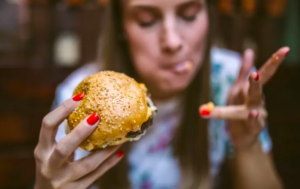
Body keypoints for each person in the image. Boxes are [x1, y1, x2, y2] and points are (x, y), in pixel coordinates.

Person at [34, 0, 289, 188]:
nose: (173, 41)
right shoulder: (81, 99)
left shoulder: (230, 81)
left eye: (189, 15)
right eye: (147, 20)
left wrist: (248, 145)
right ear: (121, 27)